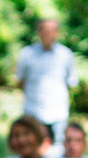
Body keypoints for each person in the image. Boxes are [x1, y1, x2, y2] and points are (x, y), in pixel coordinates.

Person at [15, 19, 77, 147]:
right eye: (45, 30)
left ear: (57, 33)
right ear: (39, 32)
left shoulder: (65, 54)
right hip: (34, 109)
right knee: (33, 146)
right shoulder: (27, 54)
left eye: (52, 30)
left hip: (58, 110)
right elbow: (20, 81)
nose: (48, 34)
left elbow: (70, 83)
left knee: (59, 146)